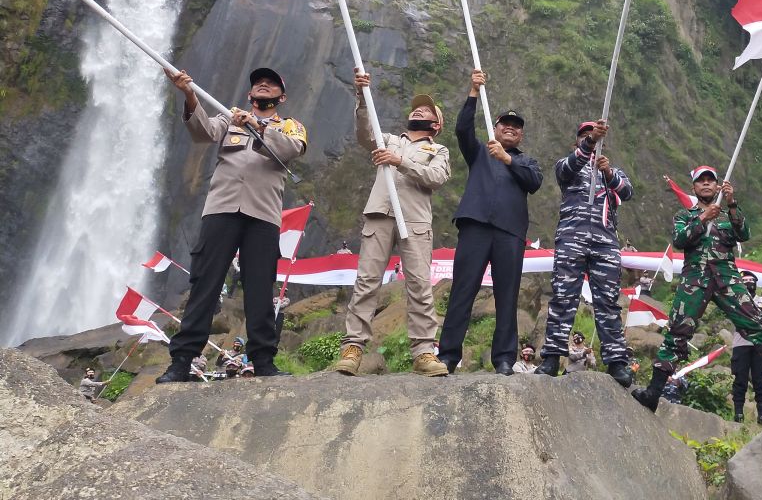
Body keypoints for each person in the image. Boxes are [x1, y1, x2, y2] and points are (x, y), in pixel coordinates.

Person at [157, 67, 307, 383]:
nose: (262, 85)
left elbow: (292, 150)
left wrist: (256, 125)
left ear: (282, 96)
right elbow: (203, 132)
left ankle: (263, 361)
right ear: (249, 94)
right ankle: (182, 361)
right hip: (222, 209)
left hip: (263, 215)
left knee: (259, 288)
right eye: (257, 83)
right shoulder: (228, 117)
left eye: (271, 84)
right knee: (205, 284)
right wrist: (188, 93)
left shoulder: (291, 127)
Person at [632, 167, 762, 411]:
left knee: (757, 327)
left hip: (728, 278)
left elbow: (744, 234)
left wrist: (732, 204)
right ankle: (653, 394)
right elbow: (680, 240)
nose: (707, 184)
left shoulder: (727, 214)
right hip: (695, 280)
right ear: (694, 188)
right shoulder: (684, 215)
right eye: (701, 181)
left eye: (711, 180)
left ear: (718, 186)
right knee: (677, 334)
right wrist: (703, 218)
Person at [334, 71, 452, 378]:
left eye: (426, 111)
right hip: (379, 216)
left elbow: (436, 177)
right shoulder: (388, 140)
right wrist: (362, 98)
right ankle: (353, 347)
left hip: (415, 222)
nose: (418, 110)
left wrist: (401, 162)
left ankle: (424, 351)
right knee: (366, 281)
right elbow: (364, 134)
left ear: (436, 125)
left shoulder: (438, 151)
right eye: (416, 108)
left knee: (419, 286)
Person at [438, 69, 543, 375]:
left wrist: (508, 159)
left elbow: (534, 182)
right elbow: (461, 130)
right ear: (495, 128)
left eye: (516, 127)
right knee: (462, 291)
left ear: (520, 134)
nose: (510, 128)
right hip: (475, 227)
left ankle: (505, 359)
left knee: (507, 296)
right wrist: (473, 91)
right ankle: (447, 356)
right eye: (505, 124)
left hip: (510, 234)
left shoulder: (526, 162)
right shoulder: (479, 153)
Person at [536, 120, 634, 386]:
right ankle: (552, 357)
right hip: (572, 239)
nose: (589, 140)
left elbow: (627, 192)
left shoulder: (612, 172)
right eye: (584, 136)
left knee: (608, 303)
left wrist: (610, 173)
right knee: (563, 299)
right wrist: (589, 144)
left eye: (594, 137)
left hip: (605, 243)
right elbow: (565, 170)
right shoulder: (567, 166)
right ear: (576, 142)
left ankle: (616, 361)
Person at [730, 270, 762, 424]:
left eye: (751, 280)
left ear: (756, 283)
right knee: (740, 378)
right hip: (741, 343)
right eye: (746, 280)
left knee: (760, 379)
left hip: (760, 344)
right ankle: (738, 413)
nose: (749, 282)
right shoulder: (737, 299)